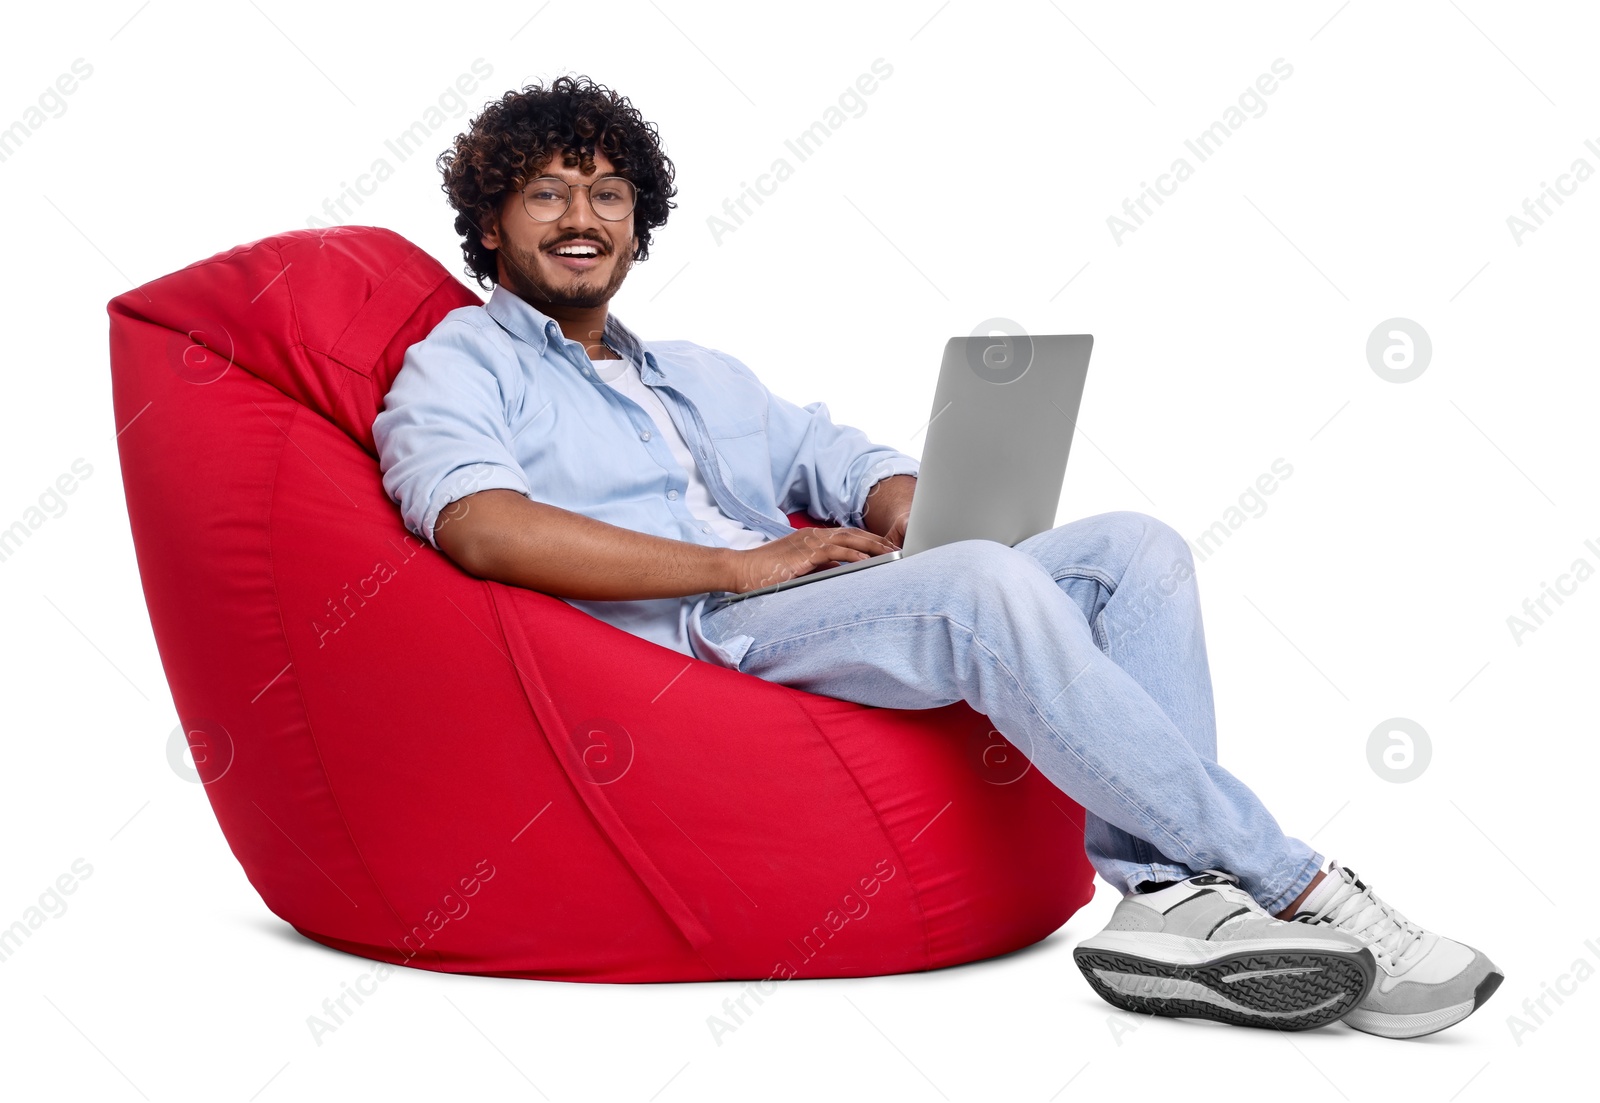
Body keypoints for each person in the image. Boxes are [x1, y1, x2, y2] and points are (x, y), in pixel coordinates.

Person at [372, 75, 1501, 1038]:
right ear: (490, 224)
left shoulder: (693, 371)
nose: (582, 217)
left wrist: (911, 502)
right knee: (981, 585)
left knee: (1133, 552)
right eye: (547, 194)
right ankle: (1294, 883)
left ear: (637, 221)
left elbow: (834, 452)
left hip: (816, 593)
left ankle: (1166, 899)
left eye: (606, 194)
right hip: (702, 630)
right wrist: (736, 567)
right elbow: (480, 525)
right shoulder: (462, 363)